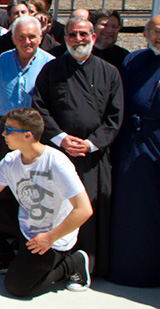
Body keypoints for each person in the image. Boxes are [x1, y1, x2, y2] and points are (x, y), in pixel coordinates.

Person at [0, 108, 93, 297]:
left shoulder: (56, 162)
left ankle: (73, 262)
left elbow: (84, 210)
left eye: (9, 130)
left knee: (18, 287)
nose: (3, 134)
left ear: (28, 135)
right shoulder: (11, 160)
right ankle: (5, 260)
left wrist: (49, 238)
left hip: (53, 237)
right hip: (26, 224)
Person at [31, 16, 122, 278]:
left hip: (93, 157)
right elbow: (40, 107)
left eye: (83, 34)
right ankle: (56, 263)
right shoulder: (51, 70)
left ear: (93, 37)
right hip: (60, 154)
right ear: (65, 38)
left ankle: (86, 268)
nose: (78, 39)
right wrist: (60, 138)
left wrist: (91, 144)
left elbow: (115, 118)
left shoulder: (110, 72)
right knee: (58, 210)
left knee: (90, 212)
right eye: (72, 34)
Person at [109, 15, 160, 287]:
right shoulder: (134, 60)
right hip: (130, 142)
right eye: (154, 31)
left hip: (155, 143)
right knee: (129, 208)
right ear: (145, 33)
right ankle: (127, 269)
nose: (158, 37)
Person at [0, 15, 54, 164]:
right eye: (21, 37)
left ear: (40, 37)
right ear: (13, 39)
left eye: (32, 37)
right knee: (3, 176)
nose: (27, 42)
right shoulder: (2, 60)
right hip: (6, 127)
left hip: (35, 130)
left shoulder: (51, 63)